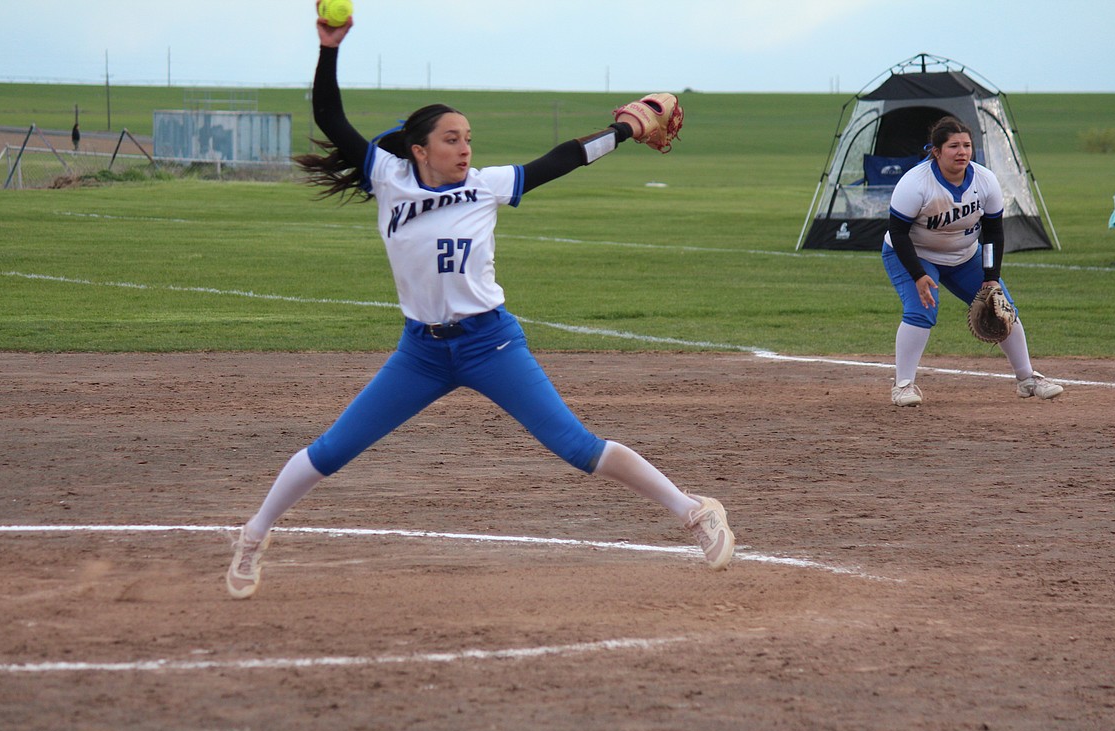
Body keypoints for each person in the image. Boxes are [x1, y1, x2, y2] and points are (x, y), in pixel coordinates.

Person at [225, 10, 735, 599]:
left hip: (490, 344)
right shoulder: (388, 176)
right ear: (419, 150)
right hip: (420, 354)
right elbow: (328, 117)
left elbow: (560, 159)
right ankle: (252, 537)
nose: (465, 148)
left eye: (468, 138)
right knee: (334, 449)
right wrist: (328, 48)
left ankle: (696, 512)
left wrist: (621, 130)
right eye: (451, 139)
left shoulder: (485, 186)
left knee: (576, 446)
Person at [882, 115, 1063, 407]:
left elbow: (993, 231)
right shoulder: (916, 183)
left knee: (1002, 308)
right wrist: (918, 274)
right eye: (953, 146)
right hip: (914, 254)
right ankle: (903, 385)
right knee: (922, 309)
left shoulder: (984, 180)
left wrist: (991, 275)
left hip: (965, 255)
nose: (962, 151)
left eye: (966, 145)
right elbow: (898, 232)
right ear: (937, 152)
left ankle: (1027, 379)